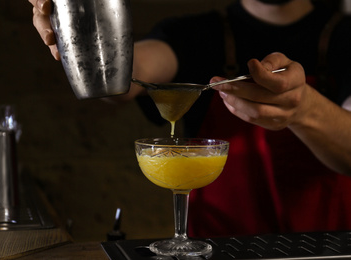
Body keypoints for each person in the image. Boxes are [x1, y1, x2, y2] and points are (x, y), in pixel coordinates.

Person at [30, 0, 351, 238]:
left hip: (328, 246)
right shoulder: (193, 34)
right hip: (216, 247)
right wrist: (79, 19)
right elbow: (123, 78)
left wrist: (305, 109)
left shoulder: (345, 36)